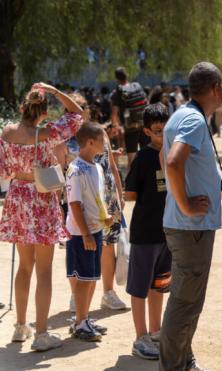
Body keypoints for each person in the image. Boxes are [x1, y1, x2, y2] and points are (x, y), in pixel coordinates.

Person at [0, 83, 83, 351]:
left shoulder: (7, 132)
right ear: (44, 113)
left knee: (24, 267)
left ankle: (20, 326)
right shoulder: (49, 134)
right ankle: (42, 333)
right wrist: (55, 91)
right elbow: (77, 113)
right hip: (42, 198)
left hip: (18, 196)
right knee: (44, 269)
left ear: (23, 109)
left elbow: (3, 170)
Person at [160, 61, 222, 371]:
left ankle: (183, 361)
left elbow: (165, 158)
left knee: (188, 300)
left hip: (186, 225)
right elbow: (173, 162)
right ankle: (173, 366)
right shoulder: (194, 120)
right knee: (185, 303)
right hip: (191, 226)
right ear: (215, 89)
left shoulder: (182, 115)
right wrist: (185, 204)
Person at [125, 103, 172, 360]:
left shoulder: (175, 154)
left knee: (159, 285)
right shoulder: (143, 158)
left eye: (167, 129)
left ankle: (156, 331)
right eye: (157, 131)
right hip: (145, 233)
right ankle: (140, 337)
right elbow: (130, 194)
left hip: (168, 233)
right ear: (146, 131)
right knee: (139, 288)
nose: (163, 135)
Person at [65, 122, 112, 342]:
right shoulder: (76, 169)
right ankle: (80, 322)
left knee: (92, 277)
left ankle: (84, 318)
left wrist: (105, 217)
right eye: (102, 140)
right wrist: (84, 234)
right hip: (81, 233)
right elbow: (74, 204)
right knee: (83, 278)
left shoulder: (97, 167)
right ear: (90, 142)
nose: (106, 144)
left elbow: (97, 197)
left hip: (95, 228)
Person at [110, 67, 149, 168]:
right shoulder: (137, 86)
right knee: (146, 152)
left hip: (130, 127)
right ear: (126, 75)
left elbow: (114, 112)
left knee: (131, 155)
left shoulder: (118, 92)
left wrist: (114, 126)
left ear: (117, 78)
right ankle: (147, 176)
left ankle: (133, 179)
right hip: (143, 124)